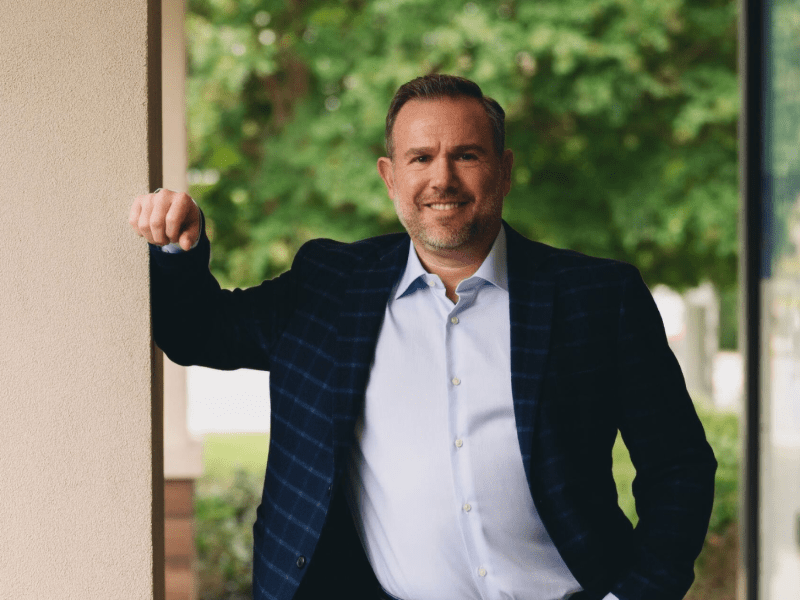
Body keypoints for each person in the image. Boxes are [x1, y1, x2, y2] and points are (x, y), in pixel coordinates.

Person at [131, 75, 717, 600]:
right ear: (390, 177)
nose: (442, 177)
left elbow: (679, 467)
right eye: (420, 157)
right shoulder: (329, 290)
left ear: (505, 170)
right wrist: (174, 246)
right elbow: (199, 334)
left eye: (466, 155)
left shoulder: (598, 298)